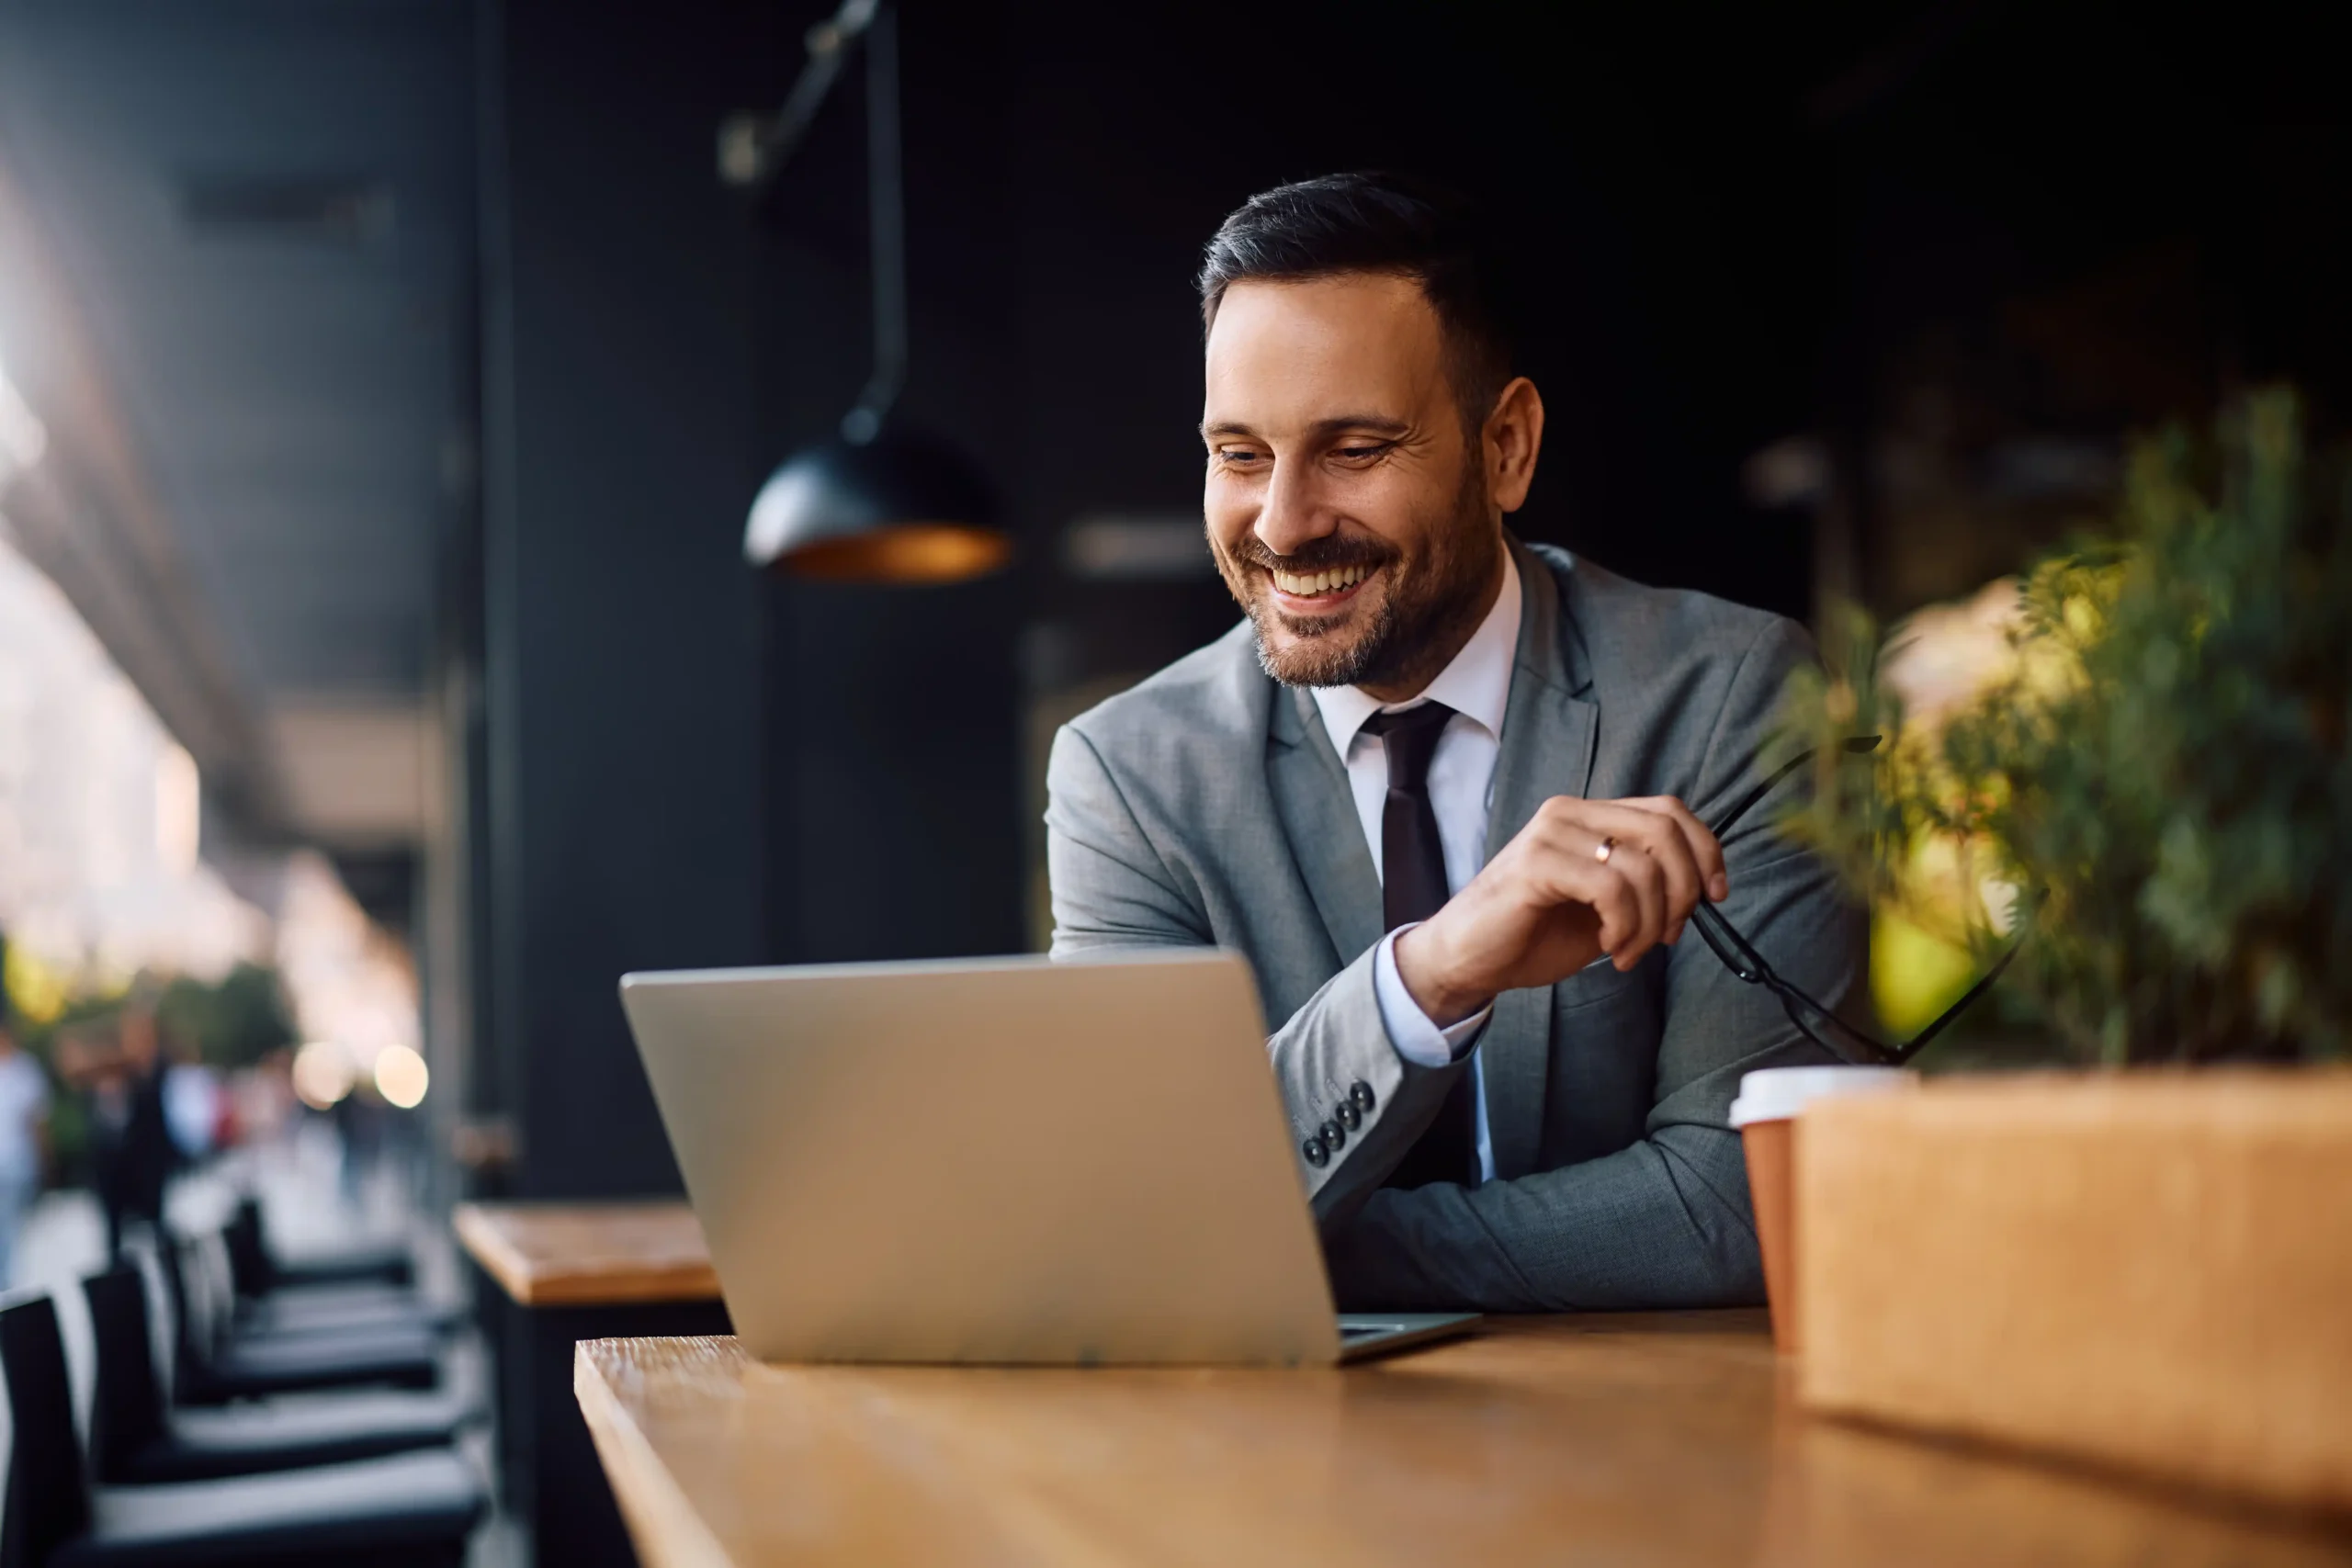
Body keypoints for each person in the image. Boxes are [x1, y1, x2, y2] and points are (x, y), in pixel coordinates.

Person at [1044, 173, 1865, 1312]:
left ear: (1506, 447)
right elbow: (1126, 1207)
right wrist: (1425, 980)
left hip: (1649, 1414)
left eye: (1353, 448)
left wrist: (1292, 1249)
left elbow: (1739, 1205)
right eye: (1239, 454)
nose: (1282, 523)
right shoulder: (1131, 775)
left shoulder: (1726, 697)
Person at [0, 1017, 50, 1287]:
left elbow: (37, 1123)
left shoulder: (24, 1069)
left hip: (15, 1165)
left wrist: (44, 1163)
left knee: (9, 1230)